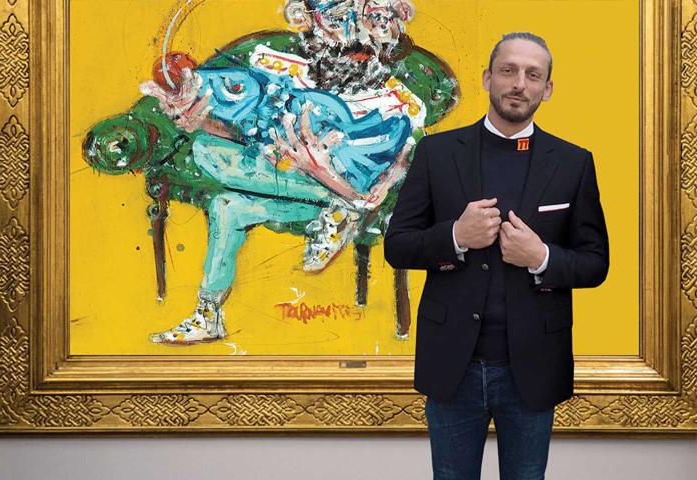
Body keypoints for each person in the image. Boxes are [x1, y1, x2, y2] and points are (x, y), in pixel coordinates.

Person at [133, 0, 459, 345]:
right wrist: (201, 122)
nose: (352, 29)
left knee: (215, 168)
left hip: (350, 198)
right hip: (307, 192)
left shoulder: (399, 102)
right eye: (337, 16)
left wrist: (318, 170)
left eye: (361, 16)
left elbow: (378, 193)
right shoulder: (292, 73)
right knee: (217, 183)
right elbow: (254, 136)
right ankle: (208, 315)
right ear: (309, 21)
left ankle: (339, 209)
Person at [384, 32, 609, 479]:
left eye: (533, 75)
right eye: (508, 70)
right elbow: (397, 245)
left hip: (533, 366)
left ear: (547, 89)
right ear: (488, 78)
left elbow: (595, 263)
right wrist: (456, 236)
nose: (519, 83)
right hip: (453, 366)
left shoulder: (574, 162)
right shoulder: (435, 153)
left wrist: (541, 257)